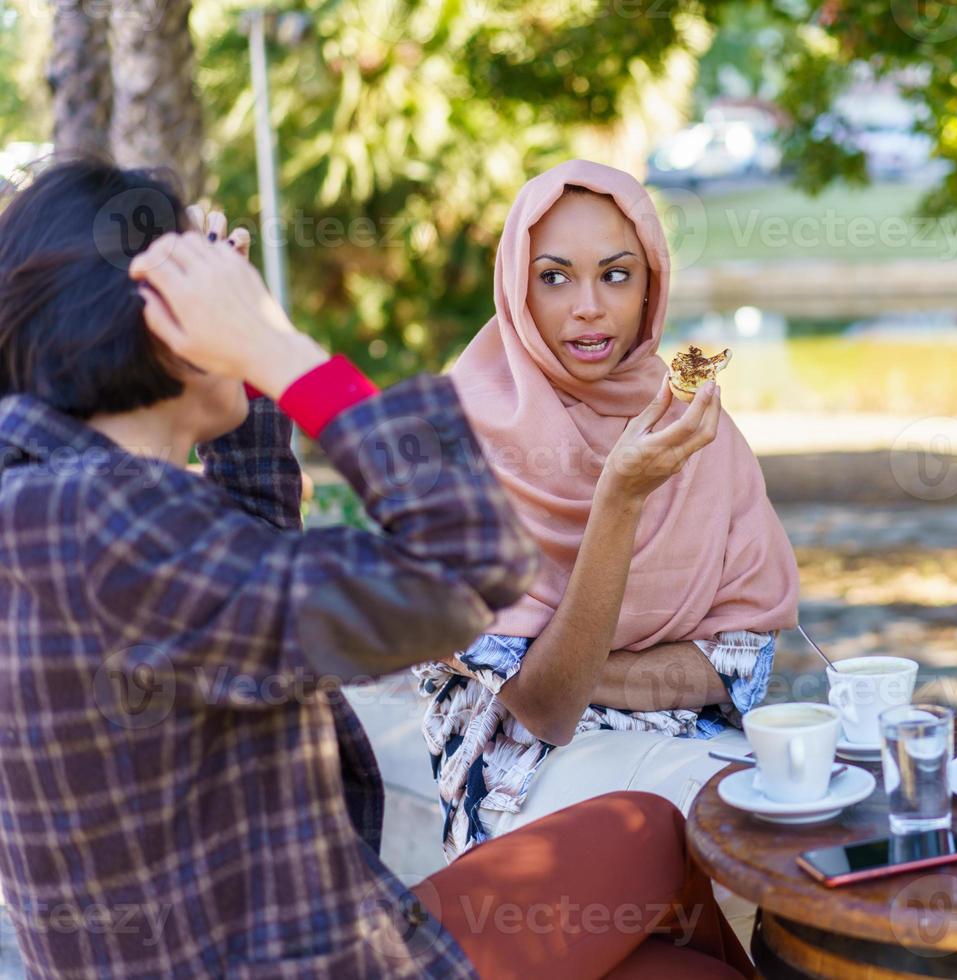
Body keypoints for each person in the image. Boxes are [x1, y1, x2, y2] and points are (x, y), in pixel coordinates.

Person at [0, 159, 753, 979]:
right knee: (648, 835)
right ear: (167, 329)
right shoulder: (100, 524)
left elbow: (249, 568)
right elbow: (467, 569)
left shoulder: (55, 508)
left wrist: (244, 374)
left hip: (297, 936)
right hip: (314, 961)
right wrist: (278, 350)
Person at [415, 160, 800, 854]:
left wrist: (557, 666)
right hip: (519, 781)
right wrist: (619, 500)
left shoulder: (691, 428)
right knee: (646, 841)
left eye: (616, 275)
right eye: (554, 277)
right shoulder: (451, 440)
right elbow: (547, 711)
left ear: (650, 286)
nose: (588, 306)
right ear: (517, 289)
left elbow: (740, 664)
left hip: (696, 754)